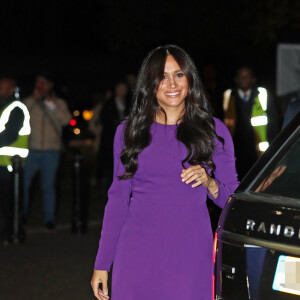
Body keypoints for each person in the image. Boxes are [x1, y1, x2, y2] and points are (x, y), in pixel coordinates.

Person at [91, 45, 239, 300]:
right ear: (150, 84)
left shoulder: (213, 130)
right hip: (135, 250)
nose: (172, 83)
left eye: (179, 74)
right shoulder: (130, 132)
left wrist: (209, 182)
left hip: (190, 251)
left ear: (190, 78)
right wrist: (102, 263)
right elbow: (117, 201)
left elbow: (233, 200)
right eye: (162, 76)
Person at [23, 74, 71, 231]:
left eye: (43, 83)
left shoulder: (58, 103)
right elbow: (21, 114)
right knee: (23, 184)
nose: (40, 85)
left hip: (51, 150)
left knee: (48, 186)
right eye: (38, 82)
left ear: (50, 85)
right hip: (31, 149)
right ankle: (21, 216)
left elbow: (65, 120)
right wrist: (33, 99)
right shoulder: (30, 101)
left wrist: (52, 107)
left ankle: (49, 218)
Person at [223, 67, 278, 180]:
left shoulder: (262, 95)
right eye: (241, 75)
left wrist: (273, 147)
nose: (244, 78)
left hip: (257, 152)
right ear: (236, 79)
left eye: (247, 75)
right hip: (234, 151)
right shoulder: (228, 96)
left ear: (253, 79)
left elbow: (273, 123)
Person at [0, 77, 30, 243]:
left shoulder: (17, 107)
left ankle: (13, 233)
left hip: (11, 164)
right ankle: (9, 232)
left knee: (10, 202)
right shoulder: (4, 106)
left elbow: (10, 135)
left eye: (3, 87)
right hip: (3, 163)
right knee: (6, 202)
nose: (0, 90)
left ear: (12, 89)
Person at [98, 82, 128, 190]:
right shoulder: (108, 104)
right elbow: (103, 120)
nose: (123, 90)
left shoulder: (129, 102)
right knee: (111, 168)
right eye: (120, 88)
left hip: (126, 141)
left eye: (124, 88)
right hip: (110, 141)